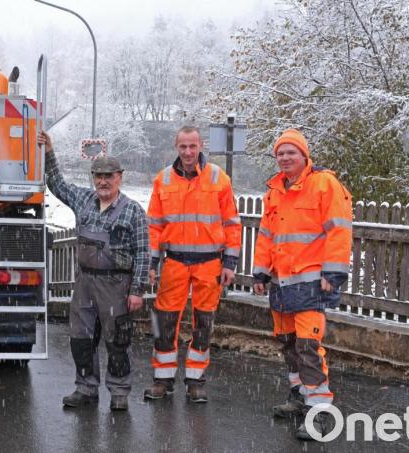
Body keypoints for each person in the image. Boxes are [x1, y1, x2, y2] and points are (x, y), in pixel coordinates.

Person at [38, 130, 150, 412]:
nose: (102, 181)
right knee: (81, 339)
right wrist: (49, 151)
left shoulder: (132, 211)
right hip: (85, 282)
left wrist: (137, 291)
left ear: (119, 177)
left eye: (108, 176)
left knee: (117, 341)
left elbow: (143, 252)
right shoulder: (84, 201)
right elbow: (57, 184)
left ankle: (119, 391)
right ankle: (85, 388)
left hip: (116, 285)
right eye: (98, 176)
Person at [252, 128, 353, 440]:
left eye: (290, 152)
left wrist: (333, 273)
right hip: (282, 284)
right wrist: (260, 272)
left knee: (308, 347)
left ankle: (319, 412)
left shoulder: (325, 184)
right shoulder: (274, 191)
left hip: (311, 283)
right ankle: (299, 396)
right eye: (280, 153)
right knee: (288, 344)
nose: (284, 158)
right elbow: (267, 235)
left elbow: (339, 230)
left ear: (304, 155)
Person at [144, 126, 242, 403]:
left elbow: (232, 224)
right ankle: (163, 380)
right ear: (176, 147)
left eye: (192, 146)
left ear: (201, 146)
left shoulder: (218, 178)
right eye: (183, 147)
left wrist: (230, 263)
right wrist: (152, 261)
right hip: (174, 262)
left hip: (209, 263)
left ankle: (196, 380)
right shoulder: (162, 179)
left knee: (204, 322)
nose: (188, 152)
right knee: (165, 322)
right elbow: (154, 226)